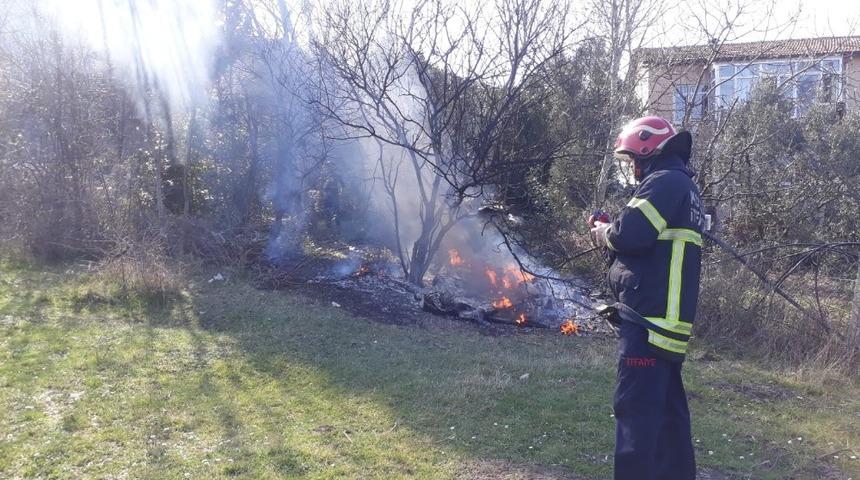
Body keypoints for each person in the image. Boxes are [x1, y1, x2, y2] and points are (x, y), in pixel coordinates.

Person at [589, 116, 706, 480]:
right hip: (667, 325)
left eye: (632, 160)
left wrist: (603, 231)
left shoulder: (663, 182)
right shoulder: (684, 187)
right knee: (669, 422)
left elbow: (631, 236)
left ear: (648, 150)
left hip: (648, 324)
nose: (633, 169)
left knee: (635, 418)